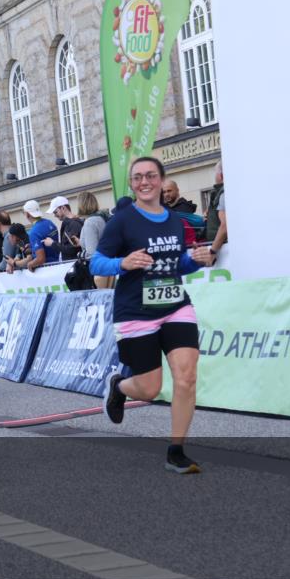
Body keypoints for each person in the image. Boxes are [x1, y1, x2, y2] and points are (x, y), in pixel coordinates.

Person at [89, 156, 216, 473]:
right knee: (150, 389)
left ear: (161, 180)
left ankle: (177, 450)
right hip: (135, 310)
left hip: (175, 305)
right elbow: (96, 263)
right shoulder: (122, 221)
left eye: (150, 176)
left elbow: (178, 265)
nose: (144, 182)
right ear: (132, 184)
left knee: (186, 377)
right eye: (137, 178)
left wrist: (196, 259)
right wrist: (123, 264)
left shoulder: (175, 220)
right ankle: (119, 387)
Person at [20, 200, 60, 271]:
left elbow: (41, 259)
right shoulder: (49, 222)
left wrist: (30, 264)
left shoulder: (34, 232)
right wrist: (33, 245)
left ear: (27, 214)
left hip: (47, 270)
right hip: (59, 264)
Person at [47, 196, 84, 262]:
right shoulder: (69, 223)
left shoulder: (73, 224)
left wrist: (53, 244)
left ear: (63, 208)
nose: (55, 215)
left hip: (76, 266)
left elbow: (72, 249)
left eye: (55, 212)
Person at [204, 160, 224, 242]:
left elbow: (224, 224)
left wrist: (213, 250)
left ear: (221, 175)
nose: (215, 176)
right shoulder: (216, 193)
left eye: (216, 173)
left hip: (222, 245)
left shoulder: (223, 193)